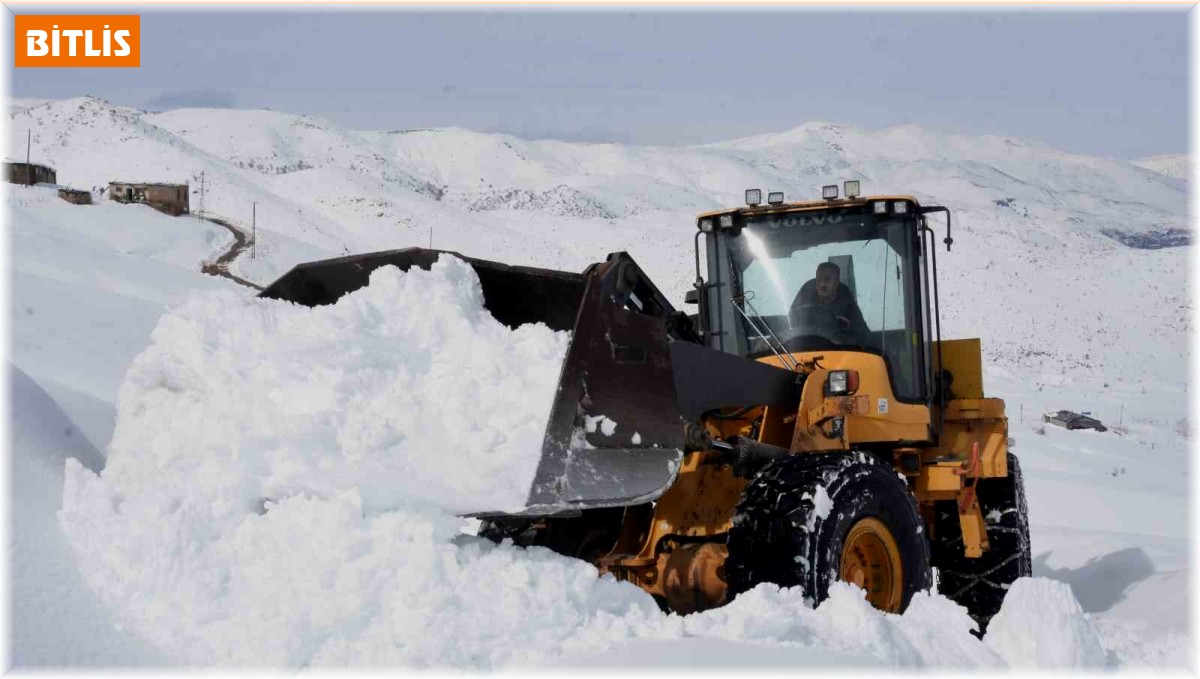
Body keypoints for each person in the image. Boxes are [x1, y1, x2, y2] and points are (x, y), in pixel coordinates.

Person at [788, 261, 869, 345]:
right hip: (805, 354)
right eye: (819, 279)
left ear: (837, 281)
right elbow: (793, 331)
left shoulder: (848, 306)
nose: (822, 284)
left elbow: (862, 336)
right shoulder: (801, 309)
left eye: (827, 279)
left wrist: (842, 340)